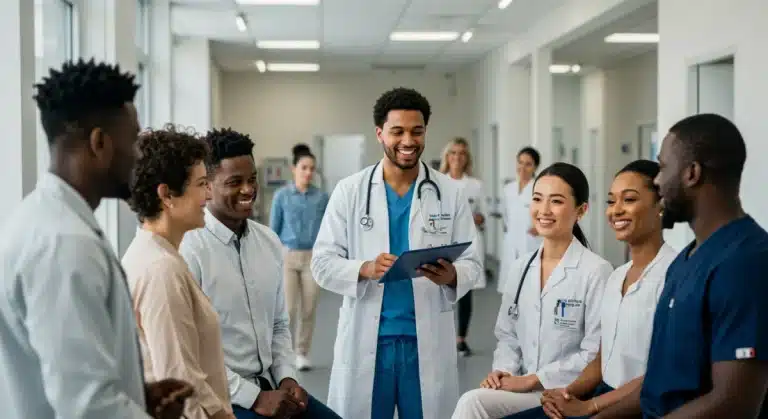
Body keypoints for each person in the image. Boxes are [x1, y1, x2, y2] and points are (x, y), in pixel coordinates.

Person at [0, 59, 191, 419]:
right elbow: (88, 407)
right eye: (133, 141)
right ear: (99, 143)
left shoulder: (49, 221)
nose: (139, 155)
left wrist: (137, 395)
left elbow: (69, 377)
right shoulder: (65, 245)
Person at [311, 87, 483, 419]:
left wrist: (453, 275)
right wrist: (364, 268)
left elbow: (473, 262)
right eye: (397, 131)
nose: (408, 140)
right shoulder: (350, 191)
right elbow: (322, 263)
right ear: (380, 134)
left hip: (426, 342)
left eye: (416, 131)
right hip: (369, 341)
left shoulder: (450, 192)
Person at [594, 114, 768, 419]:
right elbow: (658, 386)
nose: (658, 182)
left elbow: (734, 403)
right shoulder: (685, 261)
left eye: (662, 167)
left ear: (692, 173)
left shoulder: (746, 262)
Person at [179, 128, 340, 419]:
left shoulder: (268, 242)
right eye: (234, 182)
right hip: (223, 397)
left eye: (252, 179)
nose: (248, 189)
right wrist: (254, 398)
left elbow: (279, 325)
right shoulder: (190, 249)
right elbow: (190, 353)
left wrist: (287, 378)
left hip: (272, 385)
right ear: (207, 186)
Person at [503, 160, 677, 419]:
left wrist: (589, 407)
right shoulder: (618, 276)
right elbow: (601, 357)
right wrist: (567, 393)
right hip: (600, 394)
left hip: (639, 406)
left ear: (660, 205)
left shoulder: (673, 277)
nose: (616, 210)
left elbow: (660, 373)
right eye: (611, 201)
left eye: (628, 199)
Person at [451, 162, 612, 419]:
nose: (544, 210)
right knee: (475, 403)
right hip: (524, 389)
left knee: (473, 404)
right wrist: (504, 372)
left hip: (567, 392)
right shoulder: (520, 268)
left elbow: (594, 355)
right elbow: (507, 336)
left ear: (581, 210)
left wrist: (534, 380)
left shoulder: (596, 272)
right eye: (537, 199)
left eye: (556, 201)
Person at [122, 125, 235, 419]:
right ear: (167, 195)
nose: (209, 195)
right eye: (201, 184)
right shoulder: (161, 269)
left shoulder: (160, 254)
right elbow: (180, 383)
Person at [269, 143, 329, 371]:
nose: (308, 172)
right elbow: (273, 230)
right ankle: (284, 354)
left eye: (312, 168)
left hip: (312, 257)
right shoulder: (282, 196)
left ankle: (302, 353)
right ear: (294, 169)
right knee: (289, 310)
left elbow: (327, 229)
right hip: (288, 256)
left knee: (309, 308)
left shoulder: (321, 198)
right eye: (304, 167)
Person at [439, 136, 487, 357]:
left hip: (469, 243)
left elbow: (482, 215)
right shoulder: (438, 182)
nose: (457, 157)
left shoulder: (475, 185)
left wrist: (479, 218)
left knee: (465, 290)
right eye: (453, 153)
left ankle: (461, 339)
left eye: (461, 153)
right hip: (444, 243)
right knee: (443, 289)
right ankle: (443, 338)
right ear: (447, 157)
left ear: (467, 158)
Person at [500, 147, 543, 293]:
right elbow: (505, 216)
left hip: (531, 242)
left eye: (528, 164)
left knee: (530, 289)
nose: (522, 168)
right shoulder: (508, 189)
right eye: (520, 162)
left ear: (535, 167)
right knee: (511, 290)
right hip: (511, 242)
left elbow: (548, 213)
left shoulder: (539, 188)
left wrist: (539, 227)